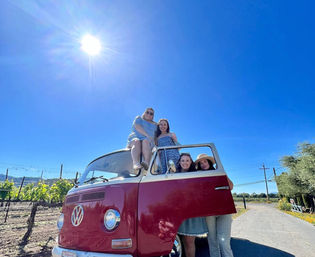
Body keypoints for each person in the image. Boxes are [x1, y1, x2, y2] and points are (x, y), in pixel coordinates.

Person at [195, 153, 234, 257]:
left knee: (224, 241)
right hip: (209, 211)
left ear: (209, 162)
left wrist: (222, 173)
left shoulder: (218, 172)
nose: (203, 164)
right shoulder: (197, 176)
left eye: (205, 161)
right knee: (212, 241)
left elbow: (230, 186)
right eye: (201, 163)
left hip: (224, 210)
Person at [176, 153, 208, 257]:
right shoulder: (173, 174)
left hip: (191, 212)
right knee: (183, 241)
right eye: (183, 160)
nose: (185, 162)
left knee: (189, 242)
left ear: (191, 162)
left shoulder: (195, 174)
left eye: (187, 160)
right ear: (179, 162)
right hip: (178, 212)